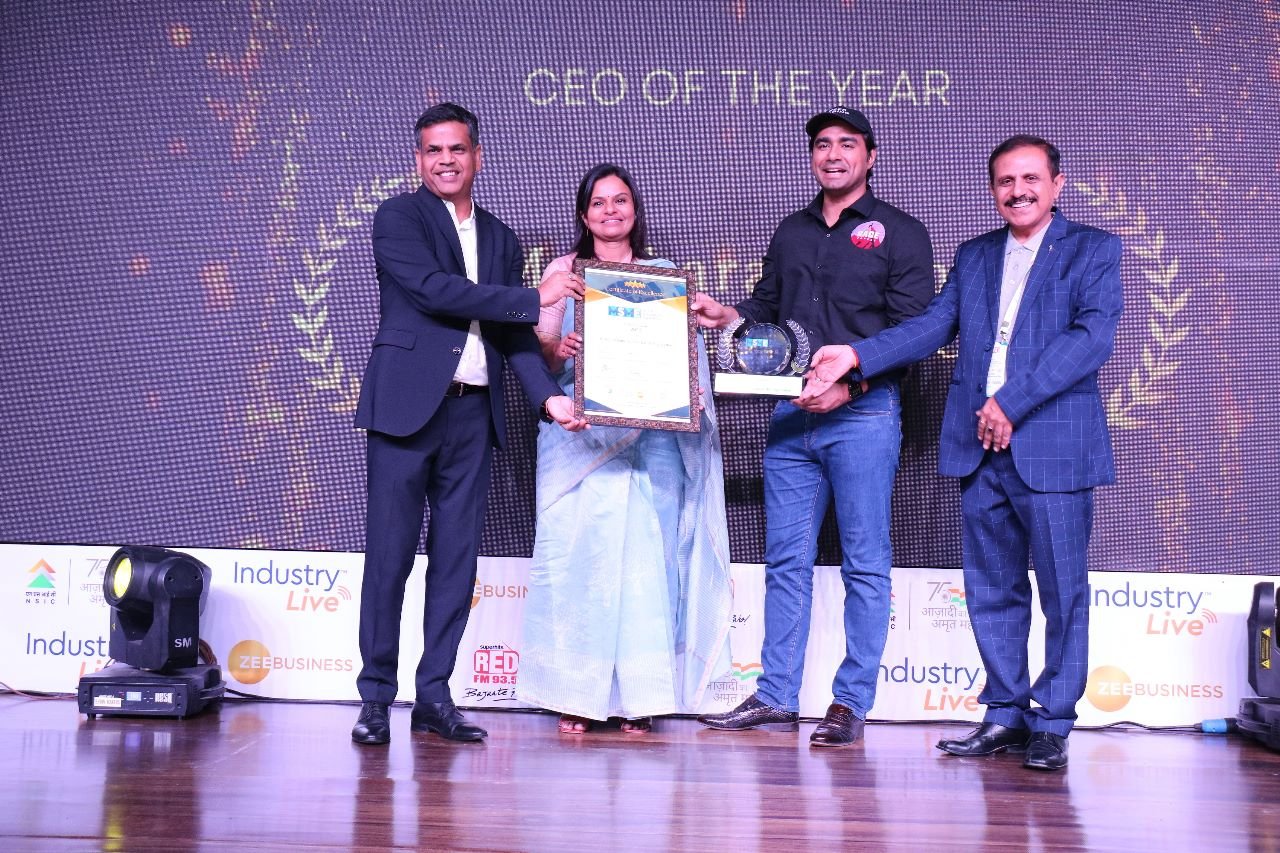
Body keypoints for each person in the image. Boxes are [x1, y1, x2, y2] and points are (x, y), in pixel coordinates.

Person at [800, 136, 1123, 770]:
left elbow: (1091, 339)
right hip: (980, 450)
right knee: (992, 590)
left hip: (1052, 447)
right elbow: (929, 327)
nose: (1018, 190)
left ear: (1057, 184)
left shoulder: (1092, 250)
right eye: (1005, 180)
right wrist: (856, 356)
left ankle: (1051, 723)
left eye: (1030, 178)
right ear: (992, 189)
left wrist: (1010, 402)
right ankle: (1004, 714)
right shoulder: (974, 256)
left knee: (1063, 591)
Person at [692, 108, 934, 747]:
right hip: (789, 415)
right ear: (812, 156)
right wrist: (729, 314)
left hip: (864, 414)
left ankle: (850, 704)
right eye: (822, 144)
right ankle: (774, 696)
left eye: (846, 145)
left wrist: (850, 383)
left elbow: (915, 334)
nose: (832, 154)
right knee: (788, 560)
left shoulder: (903, 234)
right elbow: (768, 309)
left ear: (870, 156)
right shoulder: (792, 230)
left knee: (865, 562)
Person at [351, 103, 587, 746]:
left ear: (477, 156)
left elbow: (513, 337)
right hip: (405, 410)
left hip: (471, 416)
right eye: (433, 151)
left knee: (455, 563)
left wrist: (548, 400)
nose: (446, 160)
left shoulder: (503, 237)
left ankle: (434, 698)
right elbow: (433, 290)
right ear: (418, 160)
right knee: (390, 559)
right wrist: (533, 297)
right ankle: (375, 698)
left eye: (457, 149)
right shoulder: (398, 217)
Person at [518, 164, 733, 734]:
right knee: (578, 561)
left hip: (652, 441)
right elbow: (539, 361)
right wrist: (558, 350)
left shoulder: (664, 279)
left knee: (649, 563)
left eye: (621, 201)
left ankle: (643, 696)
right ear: (583, 214)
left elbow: (689, 364)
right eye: (598, 203)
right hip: (578, 437)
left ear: (635, 209)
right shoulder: (563, 274)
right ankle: (576, 695)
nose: (610, 211)